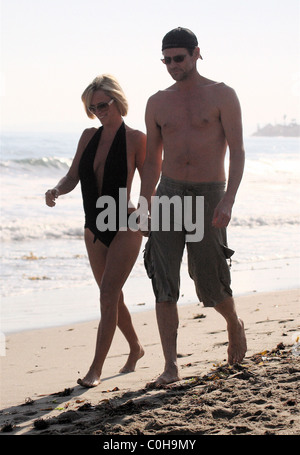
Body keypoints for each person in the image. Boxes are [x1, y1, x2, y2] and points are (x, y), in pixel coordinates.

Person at [140, 27, 247, 386]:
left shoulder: (222, 94)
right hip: (168, 192)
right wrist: (145, 202)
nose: (172, 65)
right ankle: (170, 366)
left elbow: (238, 150)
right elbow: (152, 161)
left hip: (208, 193)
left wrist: (228, 198)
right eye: (166, 60)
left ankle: (233, 322)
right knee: (163, 278)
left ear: (197, 53)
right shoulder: (156, 102)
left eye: (178, 59)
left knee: (209, 279)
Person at [45, 74, 146, 387]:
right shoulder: (88, 136)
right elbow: (72, 175)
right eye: (92, 107)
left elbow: (151, 182)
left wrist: (148, 217)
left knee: (107, 293)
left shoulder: (136, 138)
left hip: (125, 224)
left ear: (117, 100)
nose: (98, 111)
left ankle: (96, 370)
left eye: (103, 104)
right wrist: (57, 190)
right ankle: (136, 348)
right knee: (113, 298)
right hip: (93, 225)